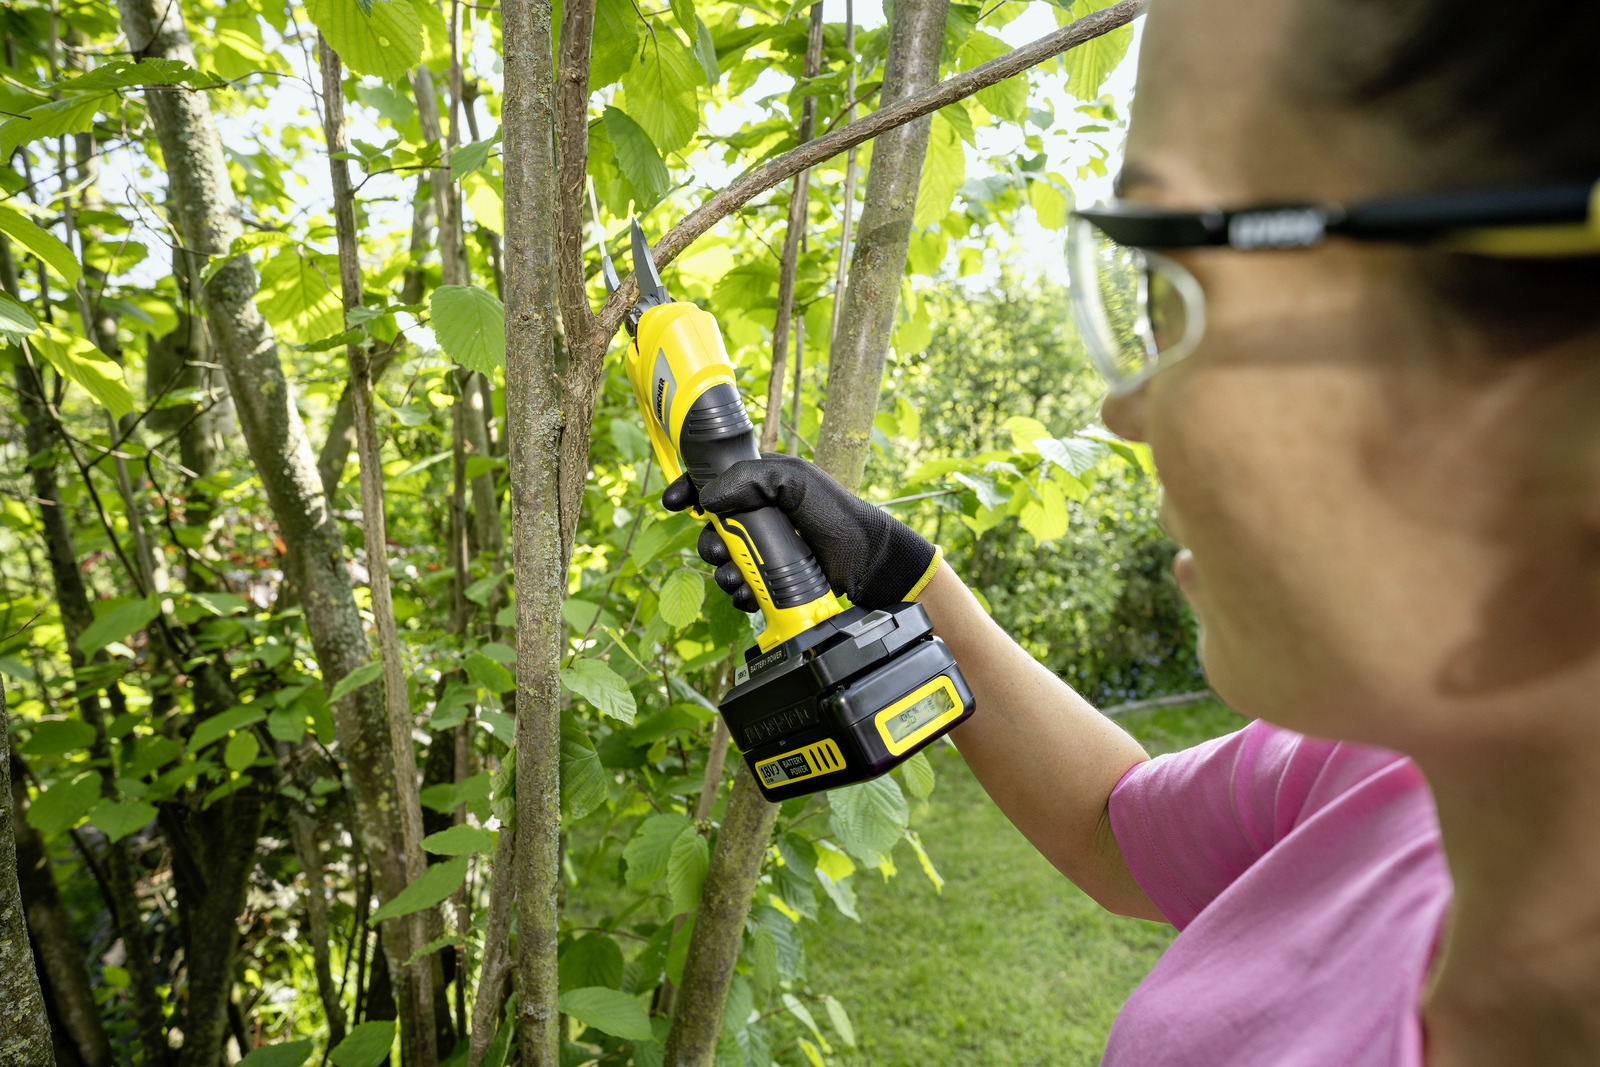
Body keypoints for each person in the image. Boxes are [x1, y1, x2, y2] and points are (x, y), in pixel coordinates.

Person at [666, 0, 1600, 1062]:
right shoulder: (1385, 755)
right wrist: (902, 578)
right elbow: (1111, 825)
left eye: (1176, 282)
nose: (1130, 408)